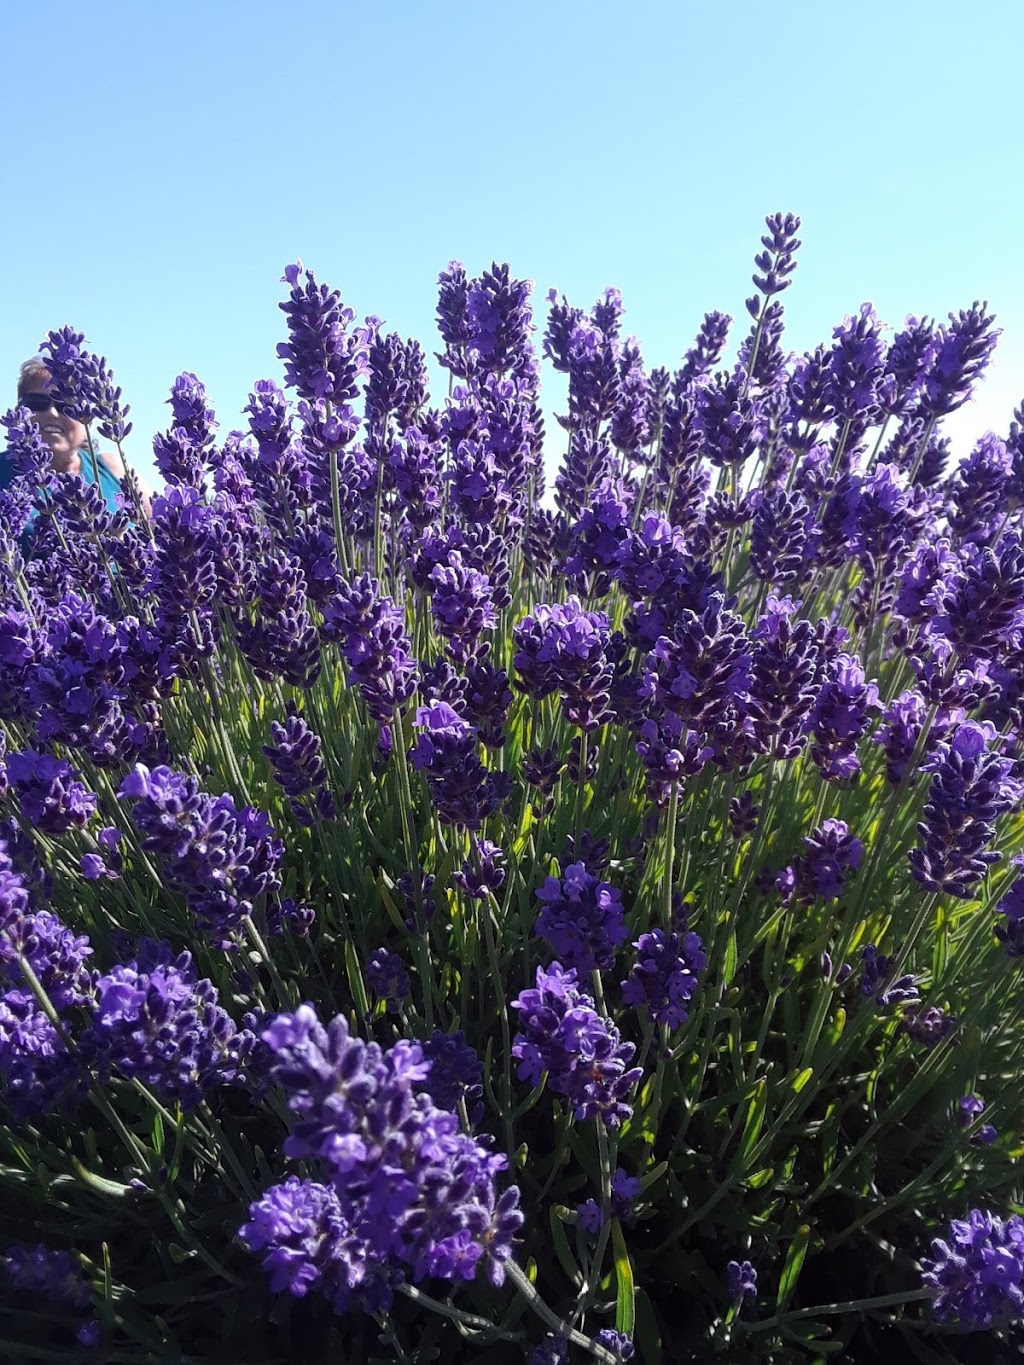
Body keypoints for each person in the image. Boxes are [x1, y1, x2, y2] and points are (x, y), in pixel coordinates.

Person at [3, 358, 148, 517]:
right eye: (37, 402)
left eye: (66, 406)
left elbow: (159, 531)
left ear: (89, 421)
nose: (51, 413)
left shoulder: (115, 468)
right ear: (19, 411)